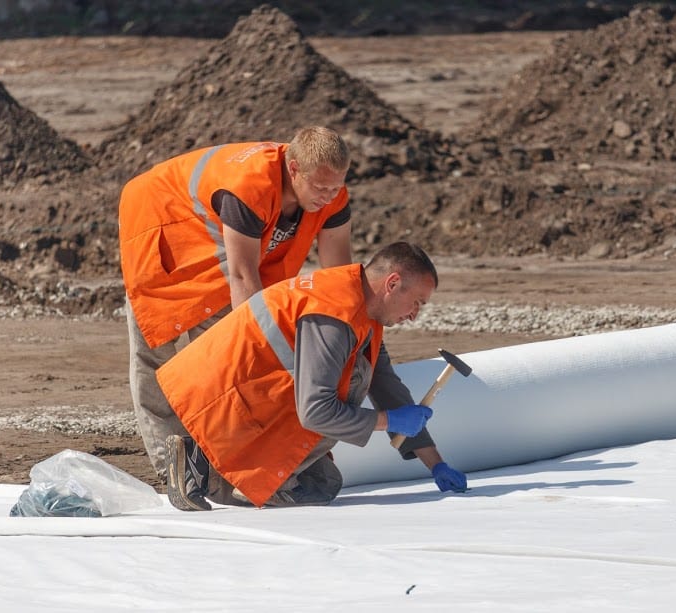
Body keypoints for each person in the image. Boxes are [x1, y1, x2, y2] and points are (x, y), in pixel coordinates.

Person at [156, 241, 468, 510]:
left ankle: (215, 464)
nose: (415, 315)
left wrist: (435, 463)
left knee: (322, 483)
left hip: (243, 396)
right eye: (417, 303)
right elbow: (317, 412)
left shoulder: (361, 307)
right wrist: (388, 421)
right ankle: (201, 465)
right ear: (392, 283)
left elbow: (386, 385)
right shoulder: (334, 314)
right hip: (214, 404)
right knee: (341, 398)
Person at [118, 126, 354, 481]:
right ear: (294, 169)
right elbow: (243, 279)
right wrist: (260, 352)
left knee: (235, 354)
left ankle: (228, 457)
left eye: (336, 187)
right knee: (161, 354)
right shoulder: (250, 186)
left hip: (221, 239)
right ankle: (175, 467)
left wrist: (350, 341)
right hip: (163, 229)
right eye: (320, 188)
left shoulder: (331, 193)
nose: (329, 196)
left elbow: (338, 277)